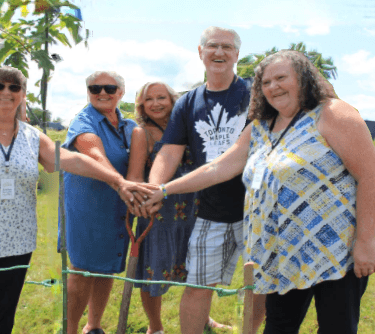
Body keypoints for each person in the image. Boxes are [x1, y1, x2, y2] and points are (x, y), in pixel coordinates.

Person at [144, 50, 375, 334]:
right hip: (284, 251)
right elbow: (218, 168)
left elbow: (370, 175)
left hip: (337, 248)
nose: (273, 87)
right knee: (278, 326)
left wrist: (365, 242)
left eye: (281, 78)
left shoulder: (332, 113)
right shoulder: (261, 127)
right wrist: (164, 190)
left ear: (303, 79)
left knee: (336, 326)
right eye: (265, 82)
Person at [0, 66, 153, 334]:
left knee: (1, 319)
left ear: (22, 95)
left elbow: (72, 159)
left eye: (14, 87)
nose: (6, 92)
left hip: (14, 245)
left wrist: (120, 182)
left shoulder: (31, 135)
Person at [144, 26, 266, 334]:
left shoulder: (257, 95)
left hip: (259, 206)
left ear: (237, 54)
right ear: (201, 52)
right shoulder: (188, 102)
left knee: (262, 284)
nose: (219, 53)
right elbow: (169, 151)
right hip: (212, 208)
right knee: (198, 284)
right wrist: (153, 188)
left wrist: (162, 188)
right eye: (212, 46)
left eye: (227, 47)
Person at [62, 70, 148, 334]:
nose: (102, 93)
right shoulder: (84, 120)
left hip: (117, 207)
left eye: (109, 88)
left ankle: (94, 326)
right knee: (82, 269)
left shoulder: (132, 128)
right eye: (94, 88)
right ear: (88, 92)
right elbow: (94, 154)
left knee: (107, 267)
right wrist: (121, 185)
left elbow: (135, 172)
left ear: (120, 93)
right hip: (86, 206)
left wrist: (131, 193)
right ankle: (71, 329)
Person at [126, 82, 198, 334]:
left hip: (193, 208)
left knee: (199, 270)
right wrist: (138, 202)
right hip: (158, 212)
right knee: (153, 271)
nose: (156, 103)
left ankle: (202, 318)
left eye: (161, 98)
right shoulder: (141, 132)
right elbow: (135, 175)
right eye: (149, 99)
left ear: (172, 100)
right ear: (141, 105)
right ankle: (155, 327)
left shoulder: (188, 126)